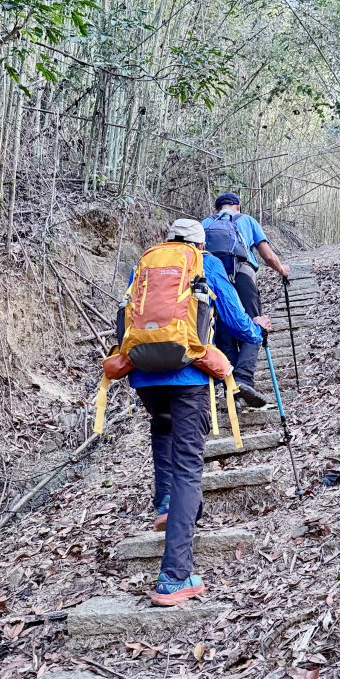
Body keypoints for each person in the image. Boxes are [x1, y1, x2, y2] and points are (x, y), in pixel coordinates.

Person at [127, 217, 270, 607]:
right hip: (188, 375)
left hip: (143, 374)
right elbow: (237, 321)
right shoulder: (204, 263)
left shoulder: (145, 263)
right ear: (201, 243)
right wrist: (257, 328)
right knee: (190, 467)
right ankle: (175, 576)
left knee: (162, 427)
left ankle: (167, 504)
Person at [202, 192, 290, 408]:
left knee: (224, 333)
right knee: (254, 326)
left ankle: (232, 388)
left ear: (217, 209)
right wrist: (282, 270)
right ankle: (243, 379)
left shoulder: (204, 224)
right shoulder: (247, 220)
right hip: (243, 276)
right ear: (237, 207)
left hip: (213, 282)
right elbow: (267, 256)